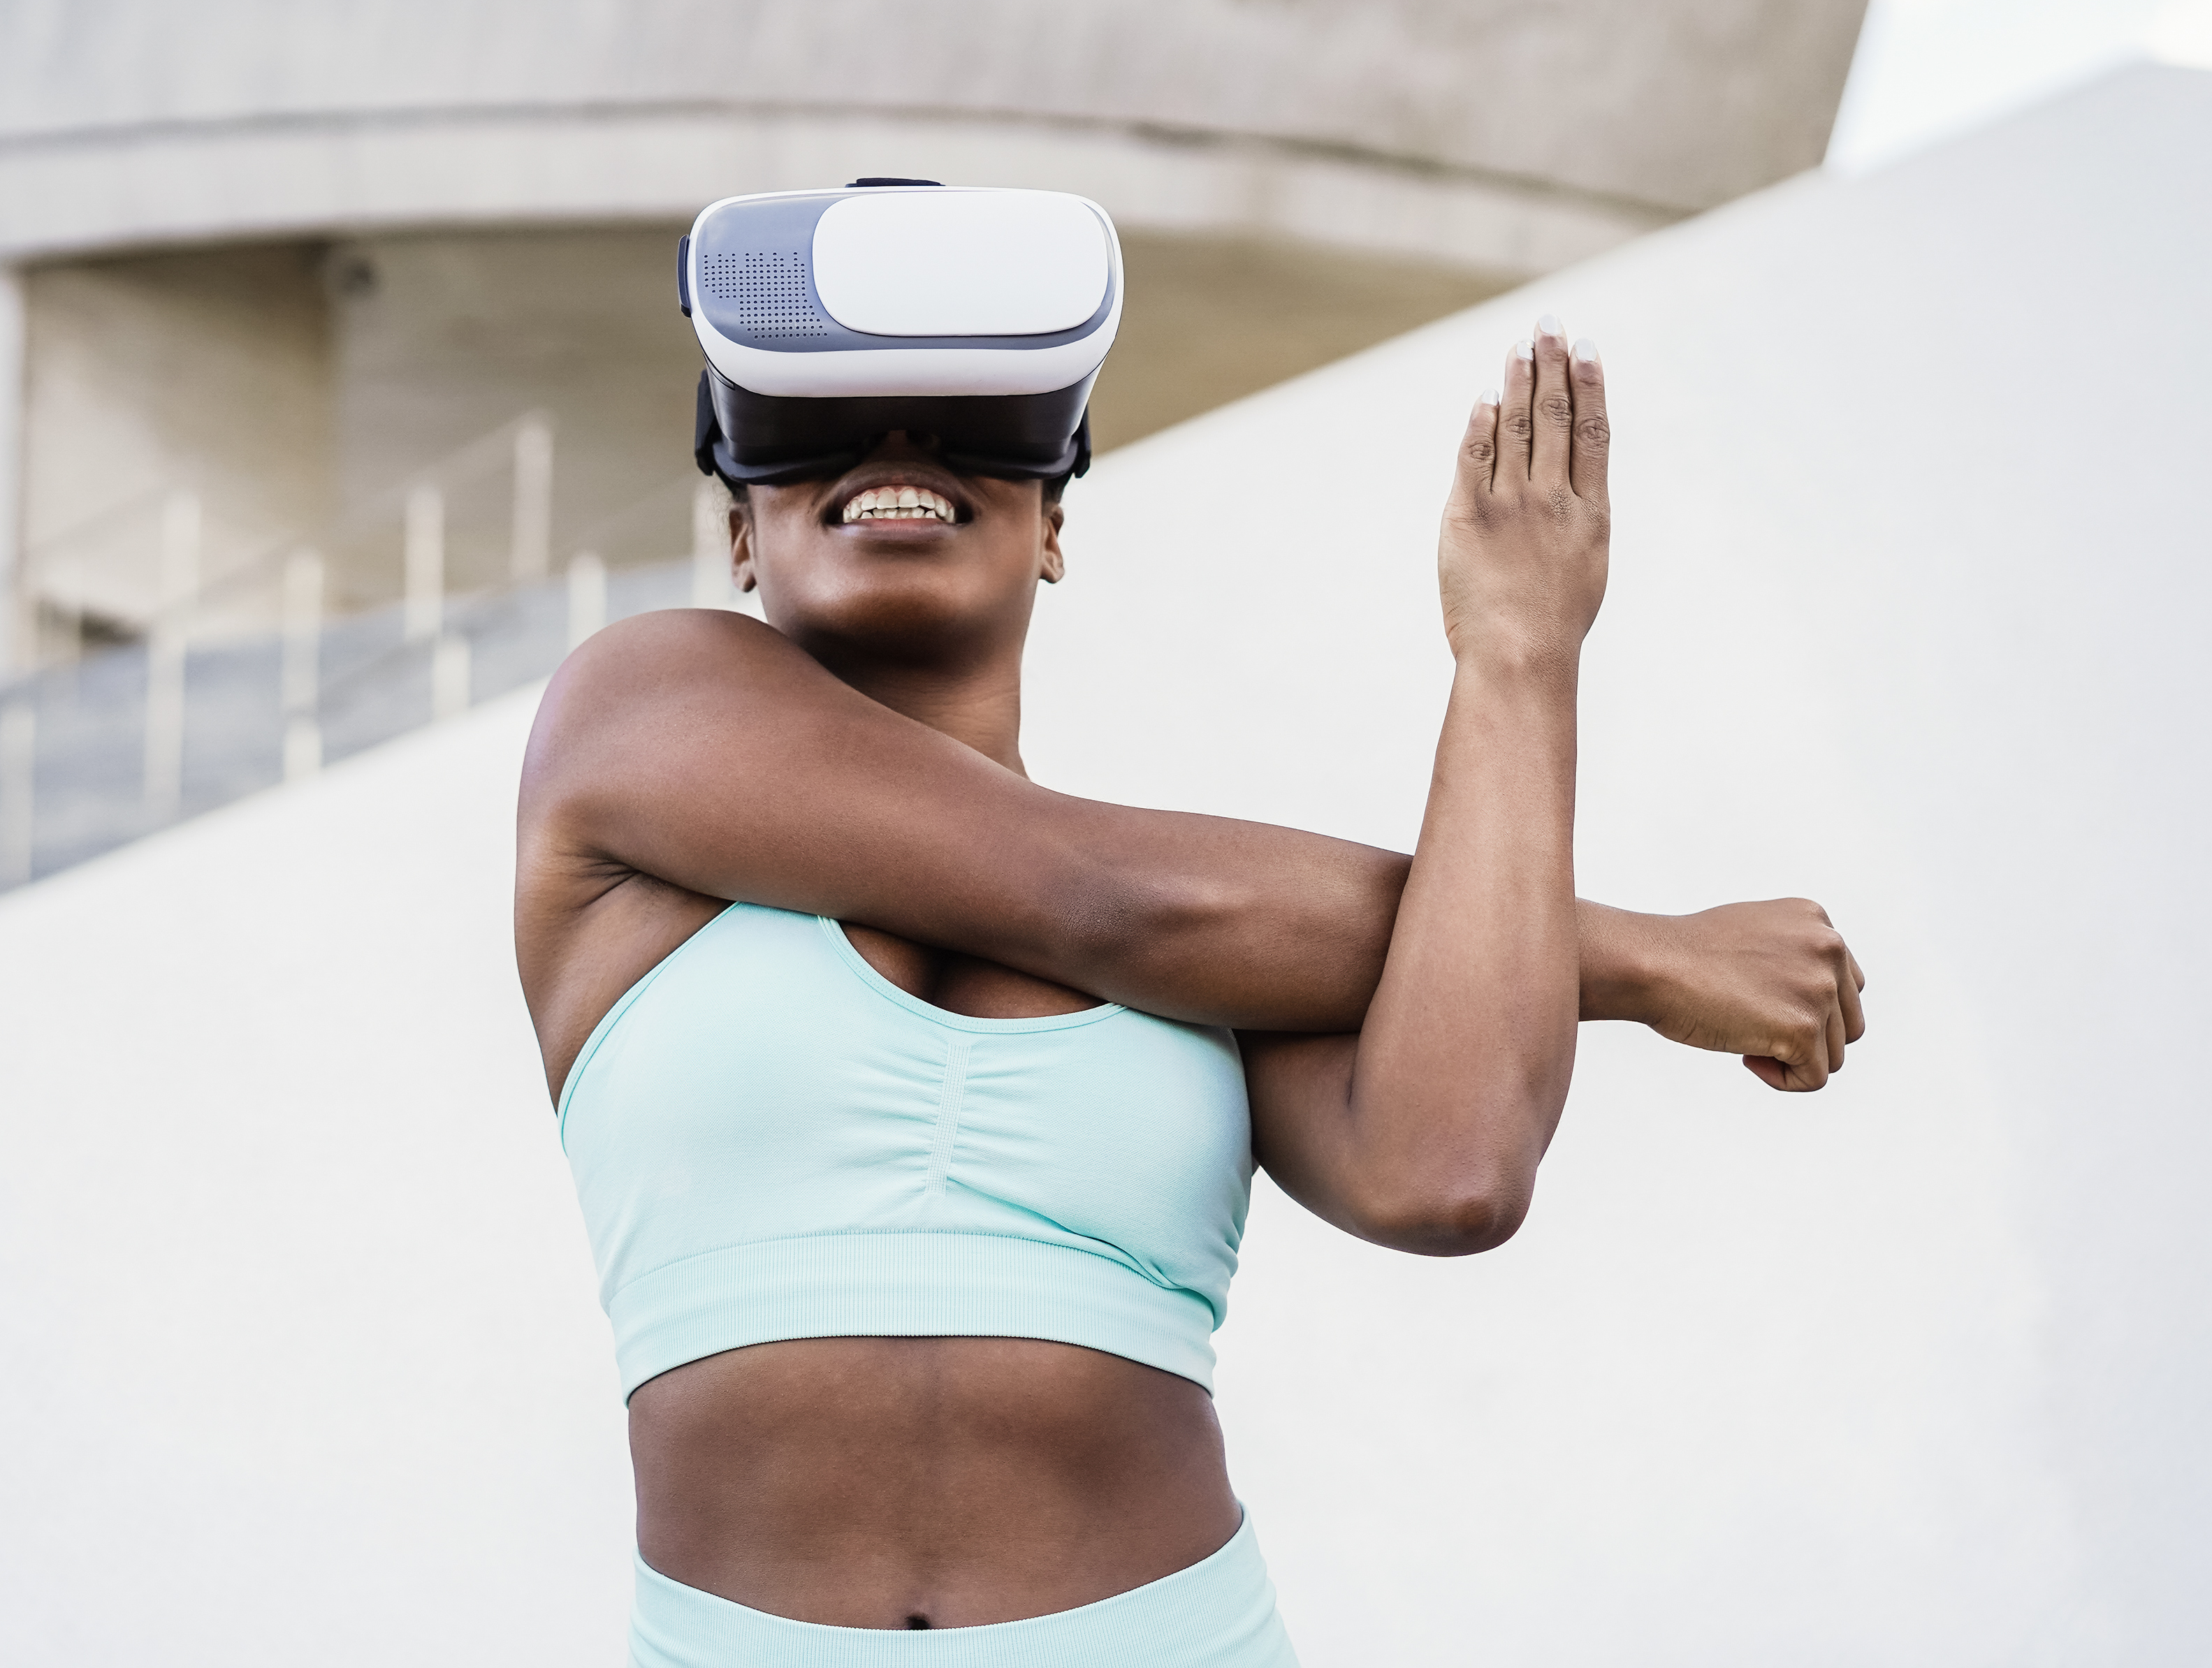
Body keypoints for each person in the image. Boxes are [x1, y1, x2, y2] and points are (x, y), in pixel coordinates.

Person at [518, 279, 1866, 1660]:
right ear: (738, 532)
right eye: (814, 424)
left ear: (1051, 525)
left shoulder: (1237, 935)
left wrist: (1515, 650)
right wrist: (1646, 953)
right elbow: (1096, 894)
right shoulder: (629, 712)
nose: (901, 439)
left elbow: (1445, 1171)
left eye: (979, 423)